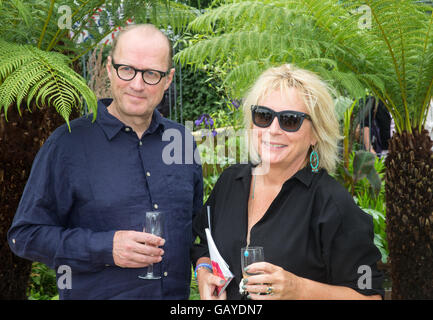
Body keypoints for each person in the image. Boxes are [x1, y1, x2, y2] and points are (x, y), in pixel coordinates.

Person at [8, 24, 203, 299]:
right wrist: (105, 247)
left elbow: (197, 228)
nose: (137, 84)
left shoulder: (181, 140)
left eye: (151, 74)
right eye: (127, 69)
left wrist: (205, 263)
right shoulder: (67, 144)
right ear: (110, 68)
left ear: (168, 79)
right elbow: (25, 236)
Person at [191, 64, 384, 300]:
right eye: (263, 116)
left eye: (290, 120)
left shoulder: (332, 204)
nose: (273, 130)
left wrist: (298, 289)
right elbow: (202, 242)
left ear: (315, 134)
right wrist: (204, 271)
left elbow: (370, 296)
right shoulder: (230, 182)